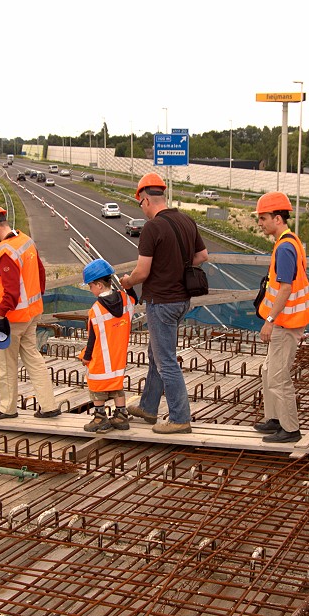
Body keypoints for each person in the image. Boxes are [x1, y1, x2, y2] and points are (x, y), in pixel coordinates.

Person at [120, 173, 208, 435]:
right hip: (182, 300)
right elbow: (202, 255)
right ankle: (148, 406)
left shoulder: (153, 228)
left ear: (145, 200)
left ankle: (180, 418)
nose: (143, 209)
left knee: (166, 360)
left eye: (140, 204)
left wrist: (127, 282)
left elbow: (142, 272)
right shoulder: (186, 220)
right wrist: (177, 267)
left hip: (162, 303)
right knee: (156, 354)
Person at [0, 204, 61, 420]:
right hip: (32, 313)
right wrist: (36, 298)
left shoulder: (7, 251)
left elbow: (11, 292)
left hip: (13, 318)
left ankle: (7, 408)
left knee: (6, 363)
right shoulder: (25, 240)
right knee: (33, 357)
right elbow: (41, 274)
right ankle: (49, 405)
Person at [252, 191, 309, 443]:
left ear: (277, 218)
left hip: (286, 322)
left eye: (264, 218)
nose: (260, 223)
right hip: (285, 320)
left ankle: (290, 429)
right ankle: (275, 419)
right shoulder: (286, 243)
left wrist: (269, 321)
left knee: (278, 376)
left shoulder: (286, 247)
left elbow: (286, 287)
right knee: (269, 371)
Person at [79, 258, 137, 432]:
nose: (90, 290)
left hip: (101, 360)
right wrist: (128, 286)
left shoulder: (95, 310)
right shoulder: (125, 300)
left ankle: (100, 418)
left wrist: (86, 357)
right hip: (118, 359)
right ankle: (121, 416)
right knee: (117, 386)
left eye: (90, 286)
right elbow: (135, 298)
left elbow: (92, 339)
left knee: (96, 387)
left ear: (98, 285)